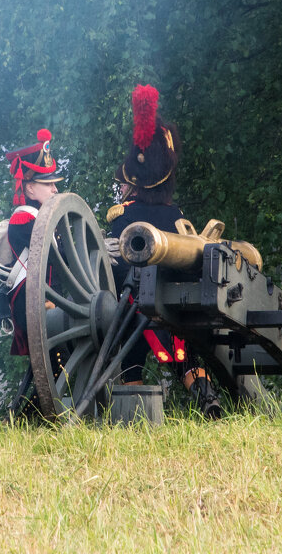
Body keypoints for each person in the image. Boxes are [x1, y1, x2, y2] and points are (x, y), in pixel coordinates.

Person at [105, 84, 223, 419]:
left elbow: (113, 270)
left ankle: (133, 417)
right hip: (173, 308)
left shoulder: (121, 217)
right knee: (186, 353)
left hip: (131, 312)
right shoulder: (177, 219)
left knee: (131, 358)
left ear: (135, 179)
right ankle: (206, 399)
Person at [3, 129, 64, 372]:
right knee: (55, 370)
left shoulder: (42, 219)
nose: (54, 190)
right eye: (48, 184)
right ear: (29, 189)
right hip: (34, 302)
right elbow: (56, 258)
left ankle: (29, 412)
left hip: (50, 301)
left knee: (50, 373)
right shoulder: (24, 220)